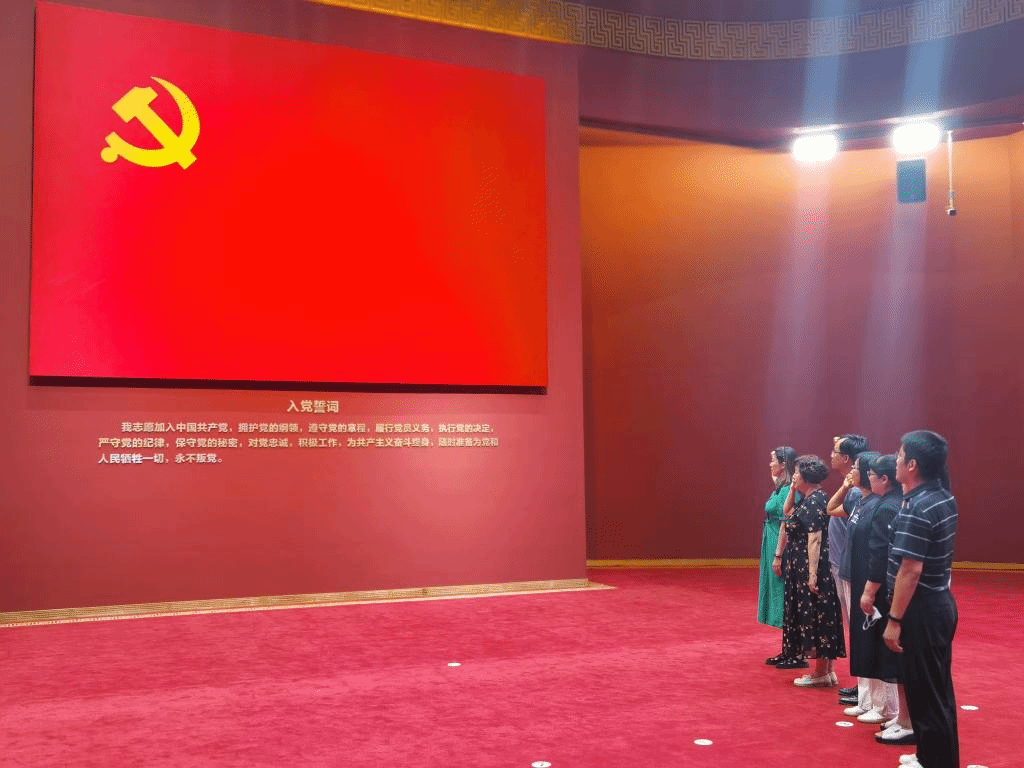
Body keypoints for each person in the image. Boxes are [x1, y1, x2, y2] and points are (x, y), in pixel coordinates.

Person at [883, 431, 959, 768]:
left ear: (912, 465)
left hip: (921, 610)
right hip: (938, 604)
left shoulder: (918, 507)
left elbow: (910, 571)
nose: (896, 460)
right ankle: (931, 756)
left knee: (926, 694)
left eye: (900, 455)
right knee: (936, 691)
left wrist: (894, 620)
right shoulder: (942, 497)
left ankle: (934, 761)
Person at [843, 452, 899, 725]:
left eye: (869, 473)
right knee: (865, 641)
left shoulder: (885, 506)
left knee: (877, 643)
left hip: (875, 583)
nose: (864, 476)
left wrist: (870, 588)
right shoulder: (866, 502)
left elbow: (880, 552)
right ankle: (868, 700)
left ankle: (885, 706)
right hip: (862, 577)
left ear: (883, 478)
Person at [780, 454, 846, 685]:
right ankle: (826, 671)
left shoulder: (815, 501)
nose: (794, 476)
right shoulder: (809, 499)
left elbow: (815, 539)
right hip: (806, 566)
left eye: (797, 472)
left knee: (817, 615)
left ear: (806, 476)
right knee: (819, 614)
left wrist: (812, 575)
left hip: (812, 566)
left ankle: (821, 673)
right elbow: (786, 511)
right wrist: (792, 489)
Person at [827, 433, 868, 703]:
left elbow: (831, 510)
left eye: (835, 451)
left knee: (857, 626)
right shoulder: (850, 488)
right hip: (842, 565)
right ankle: (862, 682)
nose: (830, 455)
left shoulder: (854, 492)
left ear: (846, 459)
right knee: (853, 626)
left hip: (849, 568)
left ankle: (865, 684)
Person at [762, 447, 798, 664]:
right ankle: (788, 649)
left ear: (784, 464)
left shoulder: (787, 491)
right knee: (780, 593)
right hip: (773, 541)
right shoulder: (782, 488)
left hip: (780, 544)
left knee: (785, 594)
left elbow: (786, 522)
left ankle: (794, 651)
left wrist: (778, 555)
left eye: (773, 460)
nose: (770, 464)